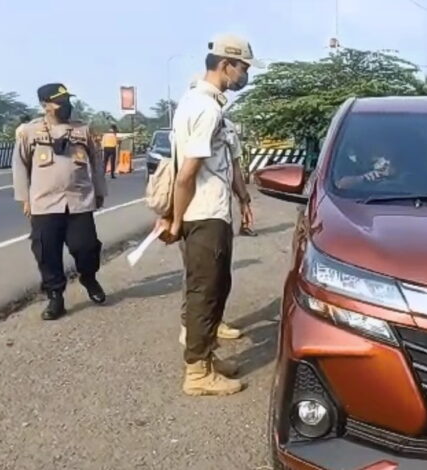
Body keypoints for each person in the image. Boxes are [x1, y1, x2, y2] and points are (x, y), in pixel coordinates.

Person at [157, 33, 262, 397]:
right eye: (243, 68)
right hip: (204, 214)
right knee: (205, 293)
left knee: (215, 288)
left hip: (207, 212)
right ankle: (197, 373)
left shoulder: (194, 103)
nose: (244, 75)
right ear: (225, 65)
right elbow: (186, 173)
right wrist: (174, 219)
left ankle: (207, 358)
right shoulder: (206, 109)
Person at [12, 83, 107, 320]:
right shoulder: (29, 132)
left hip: (79, 200)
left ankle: (89, 277)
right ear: (46, 105)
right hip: (44, 203)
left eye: (67, 101)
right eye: (60, 102)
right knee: (47, 252)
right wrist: (25, 199)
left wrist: (99, 190)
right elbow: (20, 166)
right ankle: (55, 296)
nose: (67, 106)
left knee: (86, 246)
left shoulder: (82, 130)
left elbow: (96, 162)